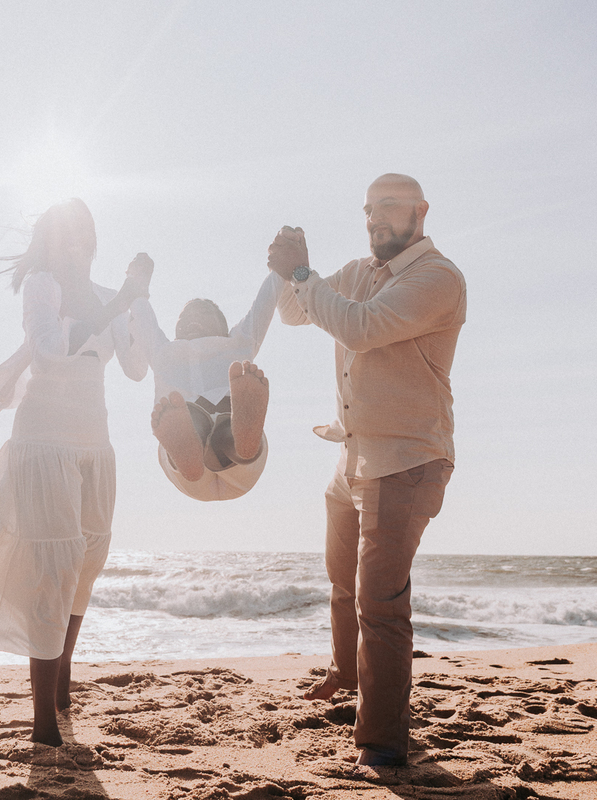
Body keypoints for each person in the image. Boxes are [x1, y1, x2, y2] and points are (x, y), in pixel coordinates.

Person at [0, 198, 151, 747]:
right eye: (64, 236)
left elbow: (135, 367)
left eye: (83, 234)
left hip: (94, 443)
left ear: (92, 241)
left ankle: (62, 671)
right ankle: (44, 725)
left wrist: (138, 302)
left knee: (87, 561)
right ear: (50, 245)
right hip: (43, 441)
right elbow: (50, 352)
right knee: (53, 567)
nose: (75, 245)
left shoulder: (108, 296)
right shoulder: (42, 287)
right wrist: (120, 299)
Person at [267, 174, 466, 767]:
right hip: (352, 455)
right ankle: (346, 676)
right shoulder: (358, 272)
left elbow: (361, 327)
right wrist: (287, 270)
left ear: (420, 211)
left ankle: (381, 745)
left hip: (406, 460)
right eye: (368, 209)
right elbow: (294, 312)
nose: (375, 218)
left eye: (388, 206)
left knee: (380, 604)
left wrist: (303, 273)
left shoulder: (439, 278)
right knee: (343, 581)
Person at [132, 270, 283, 501]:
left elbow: (264, 303)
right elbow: (144, 321)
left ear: (224, 328)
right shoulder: (164, 351)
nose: (191, 319)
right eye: (183, 318)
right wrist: (137, 282)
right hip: (189, 471)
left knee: (225, 425)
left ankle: (240, 444)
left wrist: (279, 271)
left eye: (202, 313)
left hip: (238, 463)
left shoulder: (238, 341)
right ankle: (191, 449)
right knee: (193, 419)